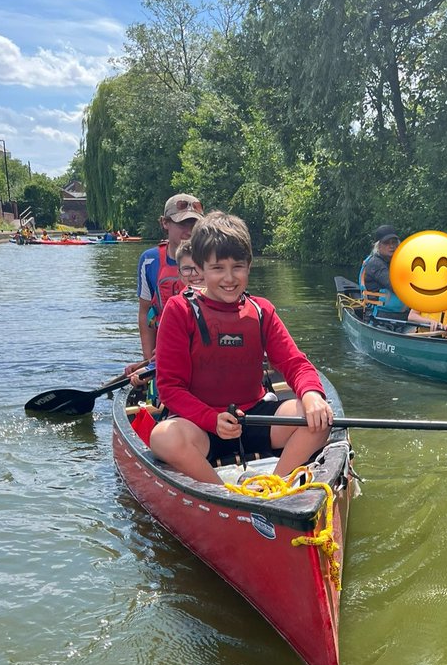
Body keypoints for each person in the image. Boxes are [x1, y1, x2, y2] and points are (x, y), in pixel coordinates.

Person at [149, 210, 333, 485]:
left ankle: (274, 485)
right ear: (199, 269)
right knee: (162, 437)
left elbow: (295, 364)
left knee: (319, 419)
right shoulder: (179, 309)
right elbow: (170, 388)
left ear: (249, 265)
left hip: (254, 418)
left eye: (237, 267)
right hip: (200, 425)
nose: (229, 278)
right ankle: (221, 494)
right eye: (217, 268)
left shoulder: (261, 310)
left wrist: (312, 396)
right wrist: (211, 419)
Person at [134, 193, 204, 362]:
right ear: (165, 223)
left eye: (194, 224)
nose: (189, 231)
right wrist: (148, 359)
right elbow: (145, 312)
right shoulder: (149, 260)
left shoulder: (213, 259)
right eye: (182, 224)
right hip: (163, 350)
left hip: (201, 346)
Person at [358, 224, 444, 332]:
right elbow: (397, 286)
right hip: (379, 319)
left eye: (394, 242)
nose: (391, 246)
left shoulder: (400, 261)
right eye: (386, 243)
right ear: (378, 246)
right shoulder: (375, 264)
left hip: (403, 318)